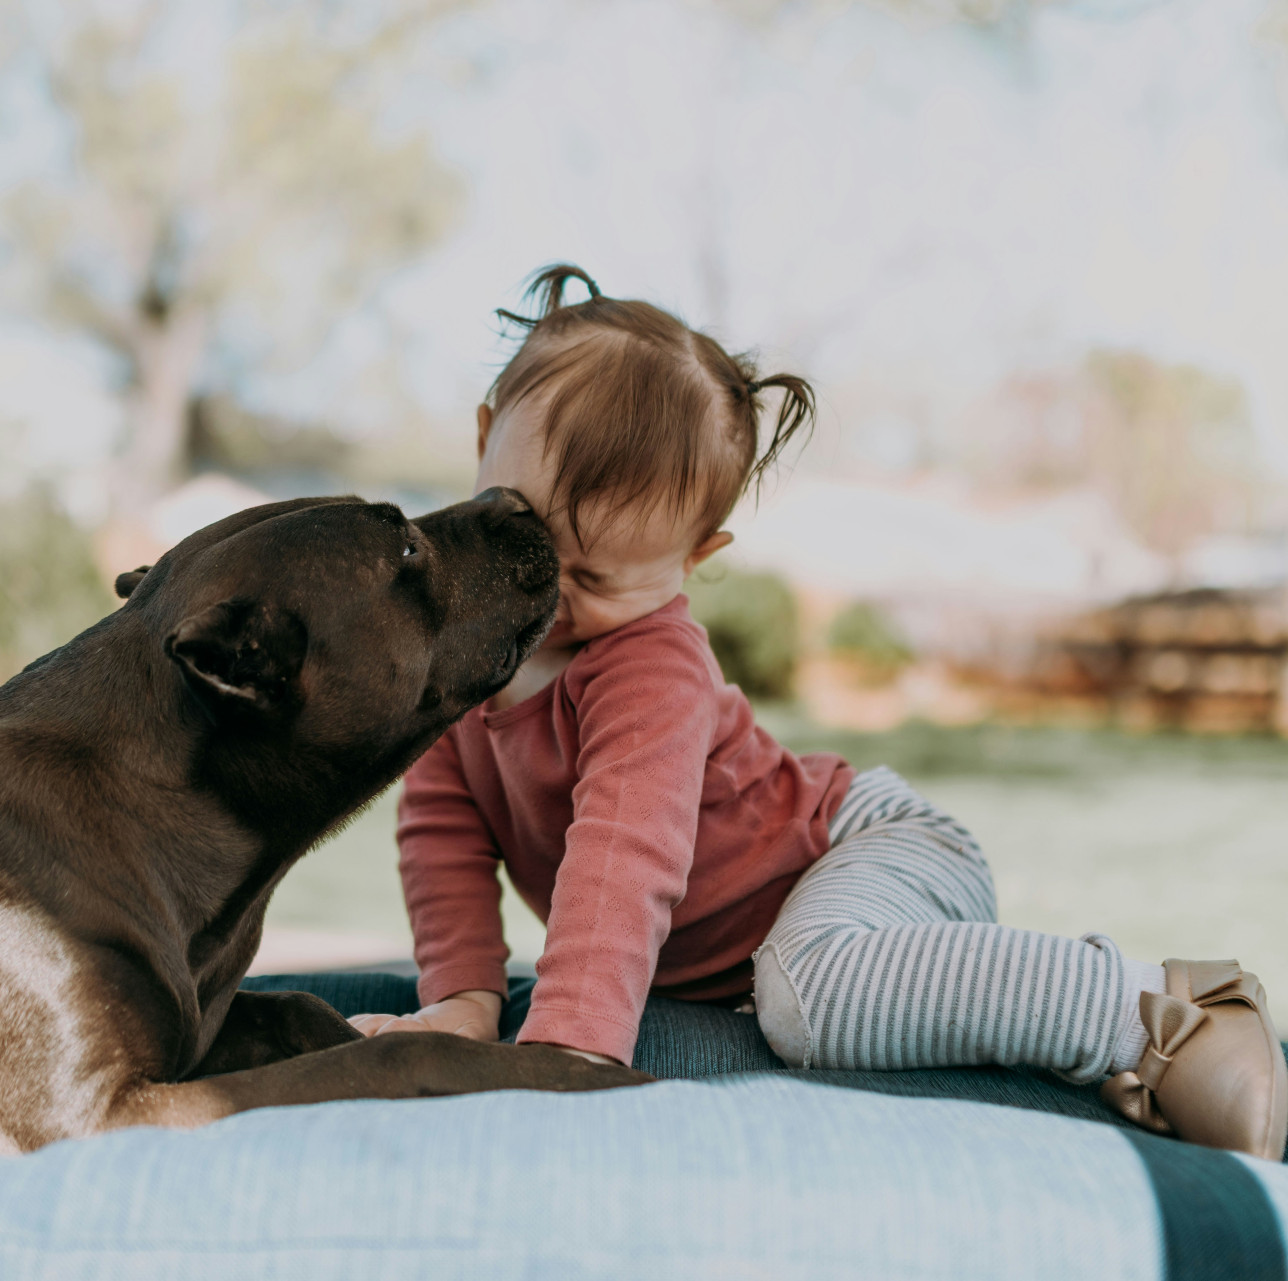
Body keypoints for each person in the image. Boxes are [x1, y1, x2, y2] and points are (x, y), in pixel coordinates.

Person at [347, 264, 1286, 1158]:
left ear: (694, 556)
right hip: (804, 925)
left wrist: (572, 1047)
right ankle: (1076, 1046)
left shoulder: (648, 664)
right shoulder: (455, 654)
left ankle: (1164, 1014)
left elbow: (622, 852)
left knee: (809, 995)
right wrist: (463, 1000)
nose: (545, 590)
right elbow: (441, 830)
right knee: (801, 985)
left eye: (592, 577)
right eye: (518, 530)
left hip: (870, 848)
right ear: (483, 437)